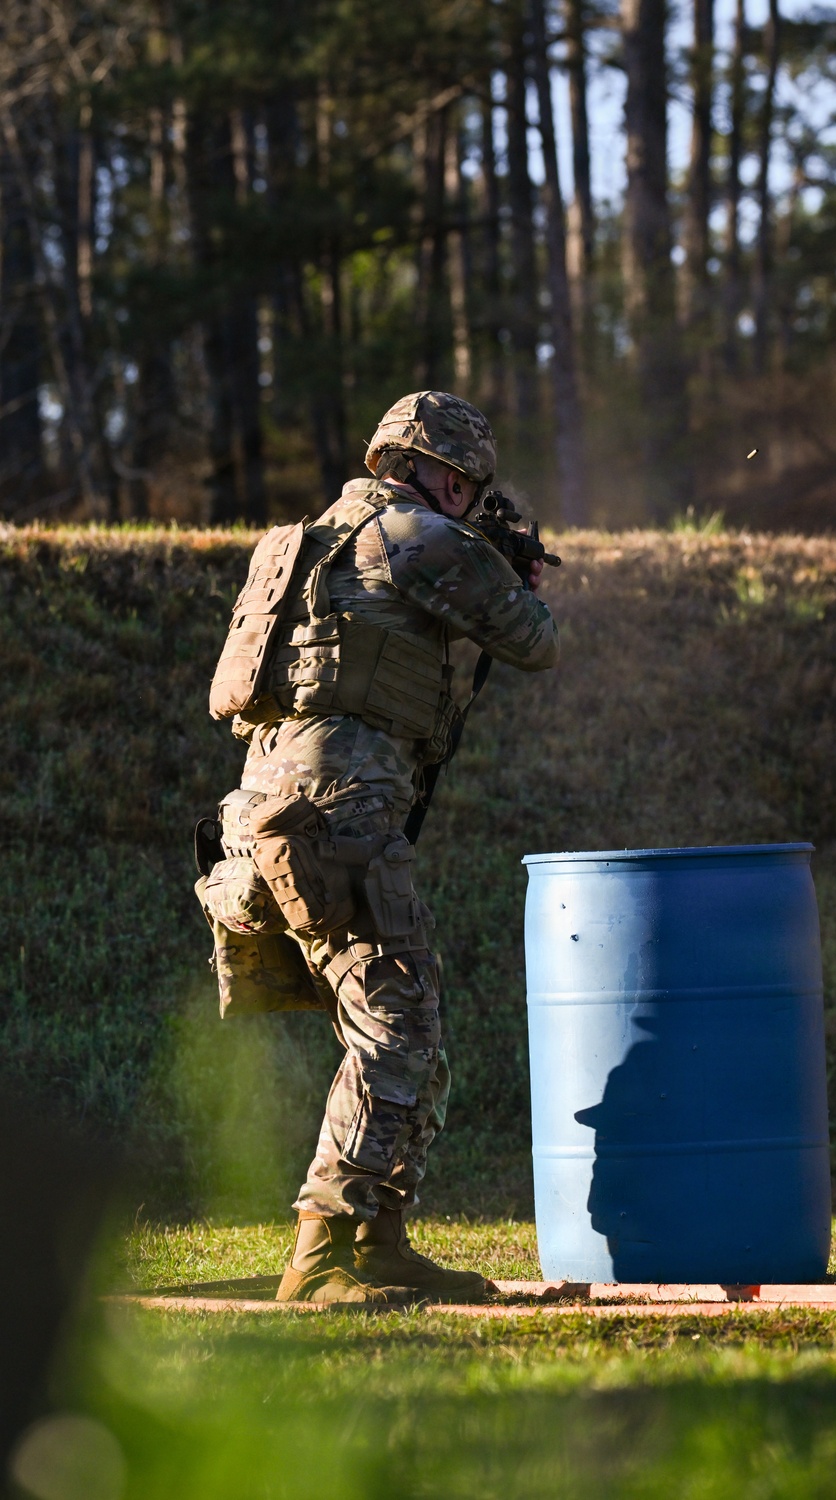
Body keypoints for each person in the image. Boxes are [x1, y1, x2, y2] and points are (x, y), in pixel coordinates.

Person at [207, 391, 559, 1304]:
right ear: (439, 470)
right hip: (338, 815)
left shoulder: (300, 541)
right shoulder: (422, 537)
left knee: (413, 1027)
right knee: (396, 1025)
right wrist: (512, 574)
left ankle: (377, 1239)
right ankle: (323, 1253)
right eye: (467, 484)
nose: (470, 499)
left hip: (259, 813)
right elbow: (534, 641)